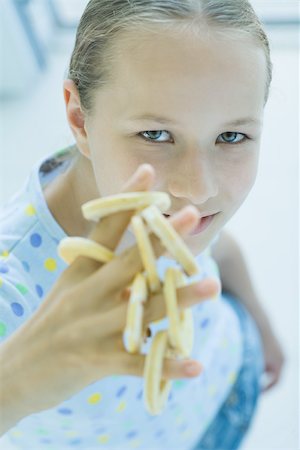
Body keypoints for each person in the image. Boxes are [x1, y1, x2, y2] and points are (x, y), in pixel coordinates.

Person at [0, 0, 285, 449]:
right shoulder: (11, 285)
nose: (197, 189)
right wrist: (12, 386)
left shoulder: (167, 206)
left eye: (231, 136)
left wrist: (261, 325)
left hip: (232, 375)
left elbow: (217, 247)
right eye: (155, 134)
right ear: (79, 118)